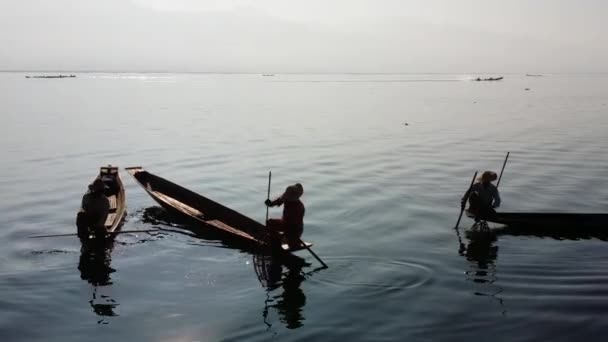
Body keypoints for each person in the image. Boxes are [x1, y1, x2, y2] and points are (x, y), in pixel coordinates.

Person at [265, 183, 305, 250]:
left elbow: (293, 225)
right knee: (269, 222)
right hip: (287, 224)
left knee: (271, 223)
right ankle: (276, 241)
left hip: (294, 229)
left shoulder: (299, 207)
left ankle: (281, 241)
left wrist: (286, 235)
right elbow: (278, 201)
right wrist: (270, 204)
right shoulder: (287, 199)